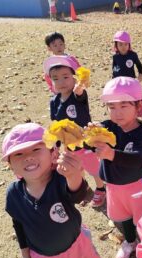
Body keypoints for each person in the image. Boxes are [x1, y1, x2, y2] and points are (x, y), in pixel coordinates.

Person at [1, 123, 103, 258]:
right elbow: (18, 224)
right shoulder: (13, 194)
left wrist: (73, 175)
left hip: (76, 250)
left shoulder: (60, 179)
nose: (28, 157)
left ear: (52, 153)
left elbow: (78, 195)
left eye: (36, 149)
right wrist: (25, 257)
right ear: (10, 165)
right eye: (18, 154)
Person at [87, 77, 142, 258]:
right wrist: (91, 137)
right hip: (114, 187)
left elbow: (138, 160)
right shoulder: (107, 127)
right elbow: (93, 147)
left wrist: (112, 154)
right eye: (112, 107)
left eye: (124, 106)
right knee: (123, 216)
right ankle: (130, 241)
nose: (117, 113)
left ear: (139, 106)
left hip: (137, 187)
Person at [43, 55, 106, 208]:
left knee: (93, 168)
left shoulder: (77, 96)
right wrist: (56, 144)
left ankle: (101, 188)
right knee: (76, 168)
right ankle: (83, 188)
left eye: (66, 77)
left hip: (85, 143)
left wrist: (80, 87)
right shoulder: (54, 101)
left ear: (74, 78)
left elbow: (80, 92)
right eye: (56, 78)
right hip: (68, 144)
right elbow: (56, 124)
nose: (61, 82)